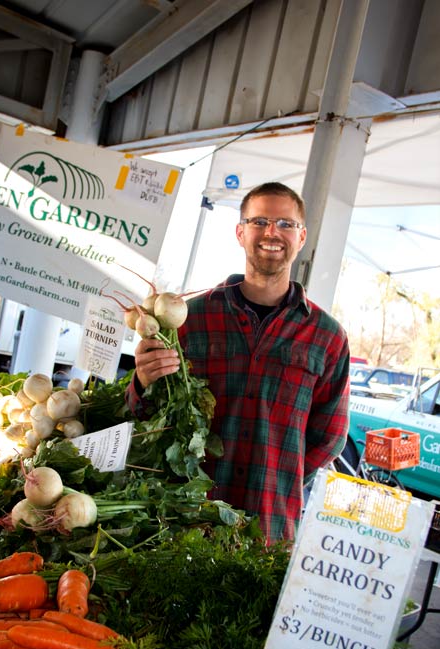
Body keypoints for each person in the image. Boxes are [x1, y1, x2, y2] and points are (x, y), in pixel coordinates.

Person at [126, 182, 350, 543]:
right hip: (186, 520)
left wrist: (280, 476)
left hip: (269, 529)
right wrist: (141, 381)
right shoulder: (189, 319)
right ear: (240, 232)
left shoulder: (327, 336)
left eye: (285, 224)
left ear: (302, 236)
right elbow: (147, 416)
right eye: (259, 221)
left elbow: (330, 437)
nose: (271, 232)